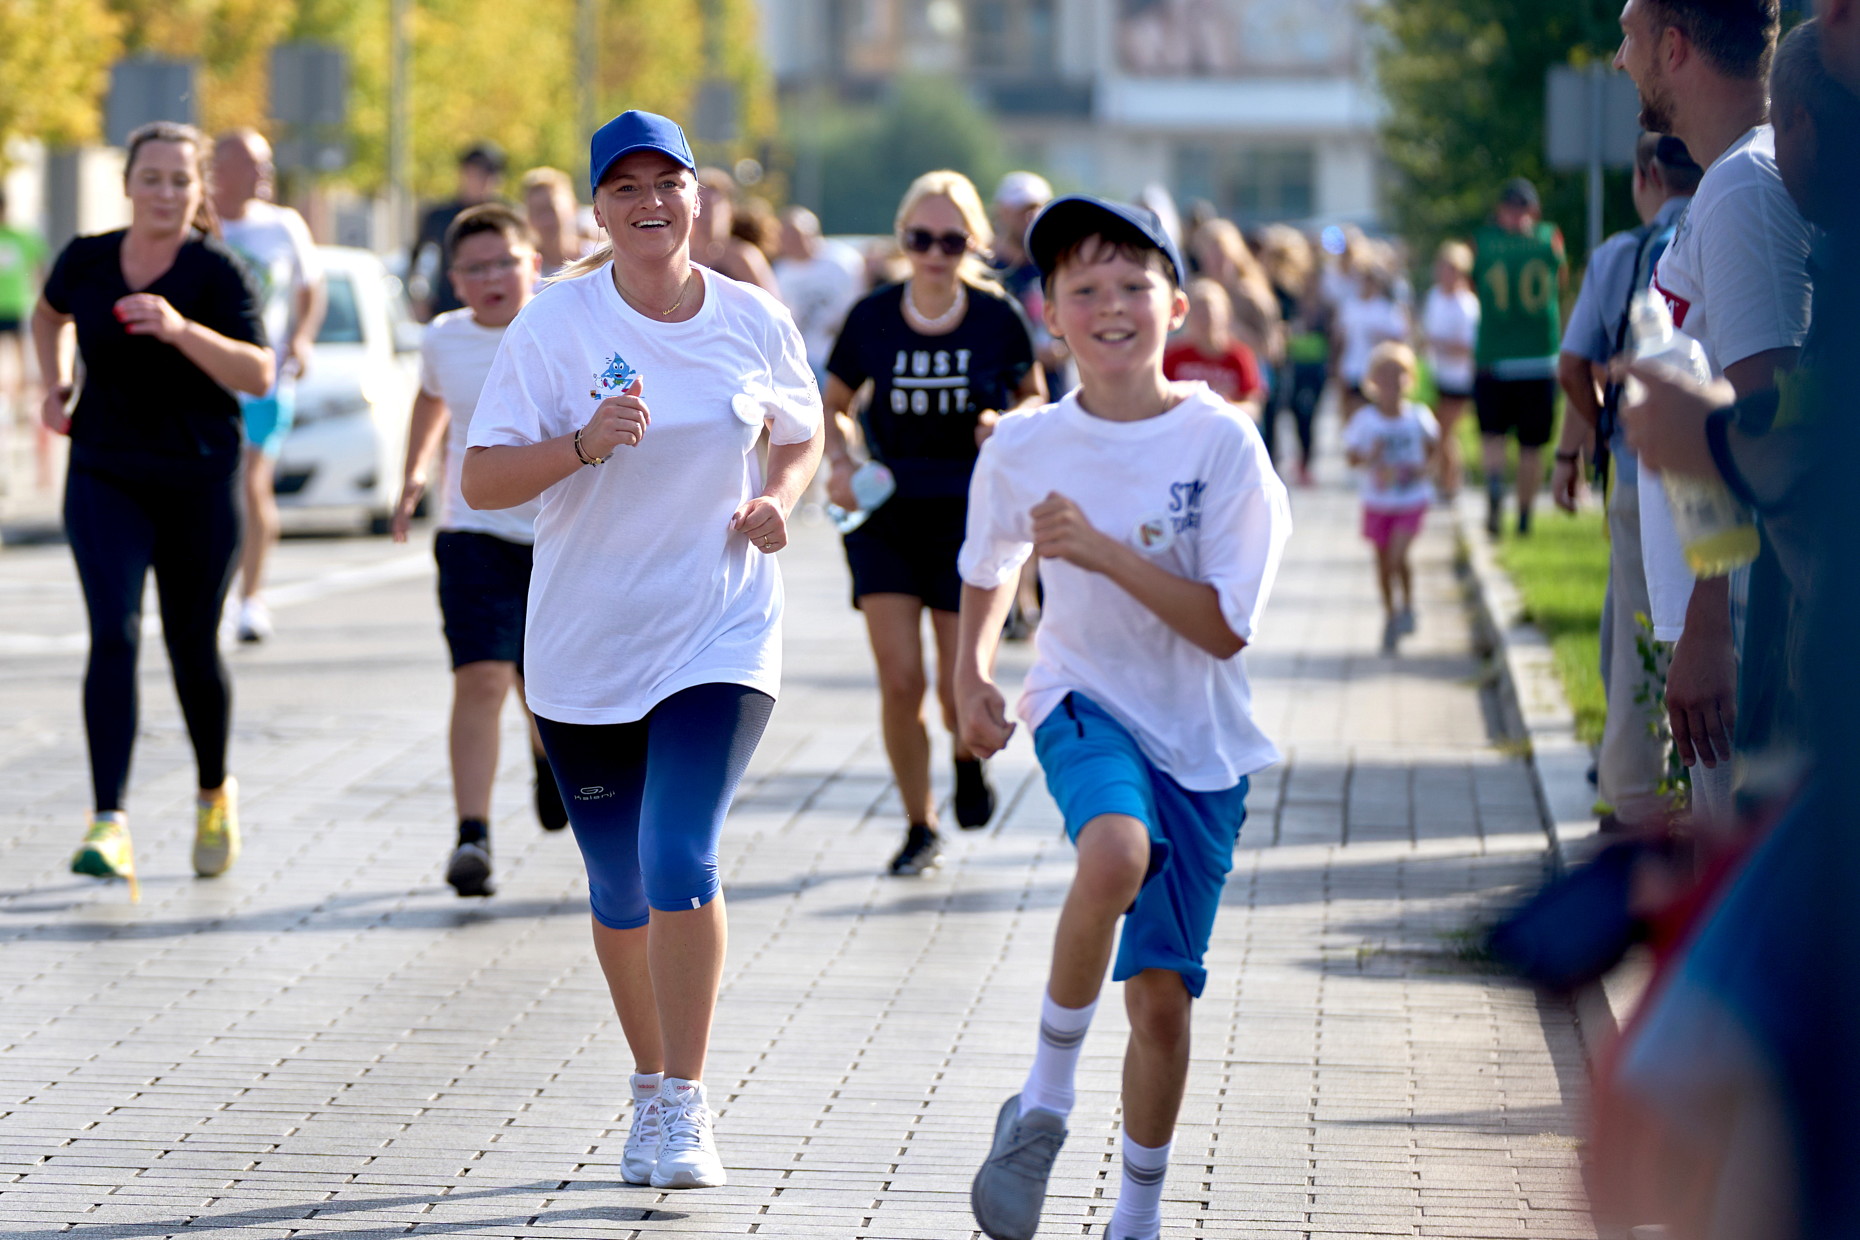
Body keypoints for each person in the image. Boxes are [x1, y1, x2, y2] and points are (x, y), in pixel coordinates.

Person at [460, 110, 823, 1191]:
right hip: (585, 647)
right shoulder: (554, 326)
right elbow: (482, 480)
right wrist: (580, 445)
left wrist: (780, 496)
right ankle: (651, 1078)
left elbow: (801, 430)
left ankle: (684, 1102)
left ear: (697, 196)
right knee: (618, 885)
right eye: (625, 188)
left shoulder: (753, 317)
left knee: (677, 857)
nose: (649, 202)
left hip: (718, 628)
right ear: (599, 210)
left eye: (667, 182)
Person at [954, 195, 1290, 1240]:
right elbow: (988, 566)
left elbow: (1225, 629)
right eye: (1084, 288)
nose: (1110, 307)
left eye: (1133, 285)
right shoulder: (1024, 444)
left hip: (1203, 744)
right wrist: (970, 674)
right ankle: (1045, 1101)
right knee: (1112, 851)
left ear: (1176, 305)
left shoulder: (1223, 445)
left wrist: (1099, 551)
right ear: (1051, 314)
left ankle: (1136, 1214)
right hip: (1081, 698)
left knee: (1159, 1006)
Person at [32, 121, 273, 899]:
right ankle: (108, 820)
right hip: (104, 472)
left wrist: (179, 329)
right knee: (113, 632)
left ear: (198, 190)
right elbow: (48, 314)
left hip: (199, 480)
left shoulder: (217, 271)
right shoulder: (87, 258)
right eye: (152, 177)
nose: (165, 192)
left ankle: (213, 792)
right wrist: (54, 383)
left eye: (179, 180)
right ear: (128, 184)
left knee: (191, 647)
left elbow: (259, 374)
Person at [1614, 0, 1811, 820]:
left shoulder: (1741, 191)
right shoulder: (1733, 181)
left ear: (1673, 47)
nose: (1619, 59)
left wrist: (1707, 628)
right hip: (1729, 605)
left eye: (1629, 35)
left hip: (1743, 614)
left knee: (1731, 853)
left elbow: (1763, 419)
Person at [821, 170, 1048, 877]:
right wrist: (841, 458)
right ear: (902, 239)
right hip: (885, 512)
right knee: (899, 682)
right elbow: (832, 402)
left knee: (957, 686)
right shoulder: (874, 314)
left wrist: (1005, 422)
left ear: (974, 243)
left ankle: (965, 759)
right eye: (921, 239)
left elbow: (1035, 398)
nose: (934, 254)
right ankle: (920, 824)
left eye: (951, 241)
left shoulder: (995, 317)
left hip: (968, 516)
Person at [389, 203, 567, 898]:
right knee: (482, 677)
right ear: (455, 280)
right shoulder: (443, 339)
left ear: (534, 265)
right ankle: (473, 835)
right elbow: (432, 399)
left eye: (505, 264)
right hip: (473, 531)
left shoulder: (565, 322)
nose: (492, 279)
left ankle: (548, 760)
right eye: (475, 269)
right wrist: (413, 473)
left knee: (543, 683)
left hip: (562, 534)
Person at [1550, 132, 1701, 833]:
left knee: (1638, 633)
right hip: (1732, 458)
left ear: (1647, 175)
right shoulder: (1737, 217)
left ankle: (1635, 799)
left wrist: (1594, 431)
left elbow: (1572, 364)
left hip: (1640, 464)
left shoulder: (1620, 253)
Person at [211, 129, 327, 645]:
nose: (265, 173)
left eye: (266, 163)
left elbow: (311, 288)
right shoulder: (202, 223)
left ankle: (252, 598)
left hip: (264, 380)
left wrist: (302, 338)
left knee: (251, 481)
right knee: (211, 490)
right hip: (206, 381)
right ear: (220, 168)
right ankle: (213, 594)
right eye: (253, 164)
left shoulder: (283, 225)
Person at [1471, 178, 1567, 536]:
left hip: (1493, 356)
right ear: (1534, 210)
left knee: (1492, 436)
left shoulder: (1482, 242)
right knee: (1532, 446)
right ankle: (1525, 516)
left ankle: (1495, 486)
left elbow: (1474, 287)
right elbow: (1561, 282)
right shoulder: (1549, 238)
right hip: (1539, 356)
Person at [1343, 342, 1438, 654]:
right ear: (1372, 381)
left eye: (1398, 374)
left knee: (1398, 556)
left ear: (1409, 378)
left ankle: (1408, 605)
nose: (1391, 382)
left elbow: (1436, 448)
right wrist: (1370, 456)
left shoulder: (1419, 417)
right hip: (1377, 501)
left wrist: (1426, 468)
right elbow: (1351, 458)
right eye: (1384, 374)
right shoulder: (1365, 420)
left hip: (1411, 499)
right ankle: (1391, 614)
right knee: (1384, 564)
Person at [410, 142, 506, 321]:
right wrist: (419, 298)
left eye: (488, 174)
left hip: (497, 311)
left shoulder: (506, 217)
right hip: (447, 308)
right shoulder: (439, 217)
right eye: (475, 173)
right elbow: (419, 261)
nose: (481, 180)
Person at [771, 205, 863, 389]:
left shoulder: (840, 261)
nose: (791, 242)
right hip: (804, 357)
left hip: (840, 351)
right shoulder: (781, 272)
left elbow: (858, 300)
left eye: (796, 235)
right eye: (786, 236)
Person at [1419, 240, 1478, 499]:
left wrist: (1439, 343)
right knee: (1436, 432)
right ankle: (1444, 479)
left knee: (1445, 432)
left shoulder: (1467, 305)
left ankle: (1451, 482)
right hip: (1435, 374)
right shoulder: (1434, 296)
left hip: (1459, 378)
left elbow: (1468, 347)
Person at [0, 187, 50, 486]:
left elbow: (39, 270)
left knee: (19, 369)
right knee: (8, 369)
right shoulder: (22, 238)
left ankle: (17, 403)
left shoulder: (23, 238)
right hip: (9, 309)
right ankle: (11, 401)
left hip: (16, 309)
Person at [1162, 277, 1264, 406]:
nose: (1204, 321)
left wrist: (1223, 407)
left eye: (1209, 314)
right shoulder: (1174, 356)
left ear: (1225, 315)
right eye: (1198, 314)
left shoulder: (1240, 357)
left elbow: (1254, 405)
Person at [1332, 264, 1408, 416]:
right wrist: (1337, 365)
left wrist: (1381, 338)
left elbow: (1399, 338)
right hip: (1351, 368)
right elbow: (1340, 339)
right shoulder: (1350, 306)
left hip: (1377, 372)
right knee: (1351, 412)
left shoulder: (1387, 308)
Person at [693, 167, 780, 295]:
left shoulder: (743, 257)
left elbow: (772, 304)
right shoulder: (683, 257)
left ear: (730, 210)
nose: (706, 217)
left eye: (712, 208)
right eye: (701, 207)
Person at [519, 166, 590, 277]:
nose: (546, 220)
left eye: (551, 209)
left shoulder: (600, 259)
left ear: (574, 207)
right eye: (538, 212)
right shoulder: (524, 272)